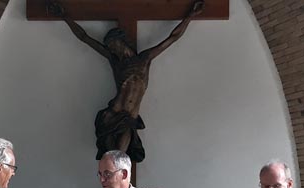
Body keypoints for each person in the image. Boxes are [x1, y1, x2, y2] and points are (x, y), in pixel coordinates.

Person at [49, 1, 204, 162]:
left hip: (129, 116)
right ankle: (112, 178)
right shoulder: (115, 62)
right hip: (113, 113)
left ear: (122, 41)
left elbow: (172, 38)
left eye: (113, 45)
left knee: (119, 159)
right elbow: (85, 38)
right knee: (110, 159)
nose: (112, 49)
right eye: (109, 46)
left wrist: (190, 16)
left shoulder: (144, 59)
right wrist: (64, 16)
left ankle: (119, 181)